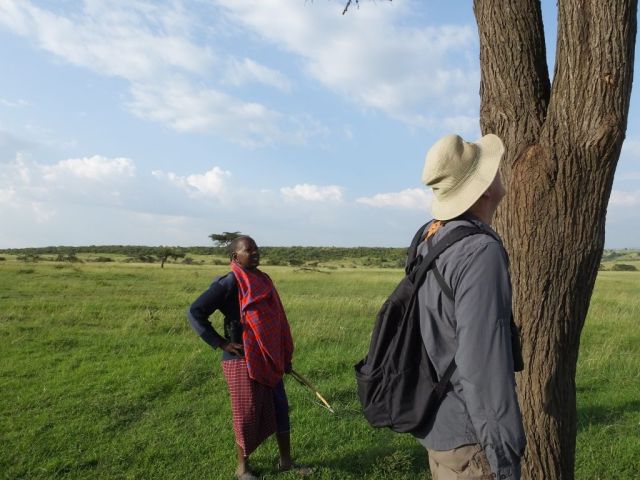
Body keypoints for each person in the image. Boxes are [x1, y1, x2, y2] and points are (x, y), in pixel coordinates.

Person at [416, 134, 526, 479]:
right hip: (471, 444)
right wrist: (503, 461)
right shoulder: (480, 252)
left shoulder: (431, 238)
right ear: (484, 190)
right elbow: (482, 365)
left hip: (439, 427)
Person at [187, 236, 311, 480]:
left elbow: (277, 320)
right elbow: (195, 311)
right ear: (235, 257)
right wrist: (220, 342)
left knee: (280, 408)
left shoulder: (263, 280)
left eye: (256, 249)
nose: (255, 253)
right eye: (248, 250)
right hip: (241, 358)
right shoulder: (229, 283)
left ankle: (285, 462)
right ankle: (242, 468)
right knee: (246, 413)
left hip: (269, 357)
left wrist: (283, 354)